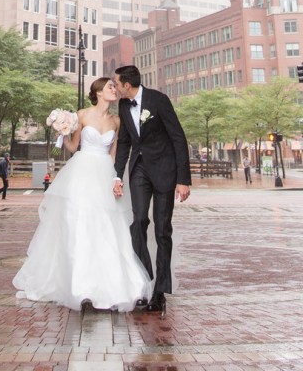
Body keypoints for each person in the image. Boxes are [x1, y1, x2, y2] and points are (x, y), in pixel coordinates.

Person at [13, 77, 151, 311]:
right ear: (98, 92)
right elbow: (71, 147)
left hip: (104, 173)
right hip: (81, 172)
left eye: (114, 87)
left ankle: (123, 286)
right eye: (109, 86)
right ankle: (82, 288)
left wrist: (116, 178)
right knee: (81, 224)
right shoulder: (83, 115)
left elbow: (115, 154)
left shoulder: (117, 121)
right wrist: (63, 129)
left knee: (109, 226)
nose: (114, 89)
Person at [113, 64, 191, 314]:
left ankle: (160, 291)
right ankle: (145, 280)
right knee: (137, 222)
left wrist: (183, 179)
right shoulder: (124, 106)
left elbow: (178, 137)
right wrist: (117, 175)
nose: (114, 87)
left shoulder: (159, 100)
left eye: (116, 84)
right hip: (139, 171)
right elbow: (124, 142)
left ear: (127, 84)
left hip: (165, 172)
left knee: (162, 230)